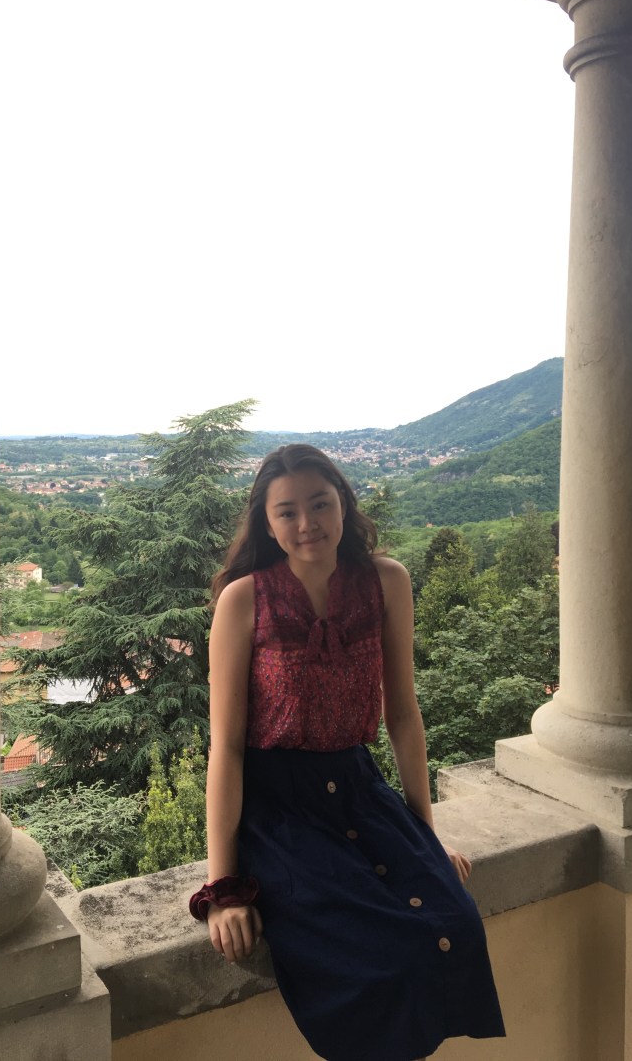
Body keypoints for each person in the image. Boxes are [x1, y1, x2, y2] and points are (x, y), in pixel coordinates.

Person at [190, 444, 505, 1061]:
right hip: (279, 810)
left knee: (455, 926)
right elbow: (224, 747)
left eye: (320, 504)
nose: (307, 523)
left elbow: (403, 715)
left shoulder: (386, 582)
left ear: (343, 504)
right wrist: (223, 887)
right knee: (373, 958)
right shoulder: (245, 600)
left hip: (359, 788)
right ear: (267, 524)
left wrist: (424, 837)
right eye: (287, 512)